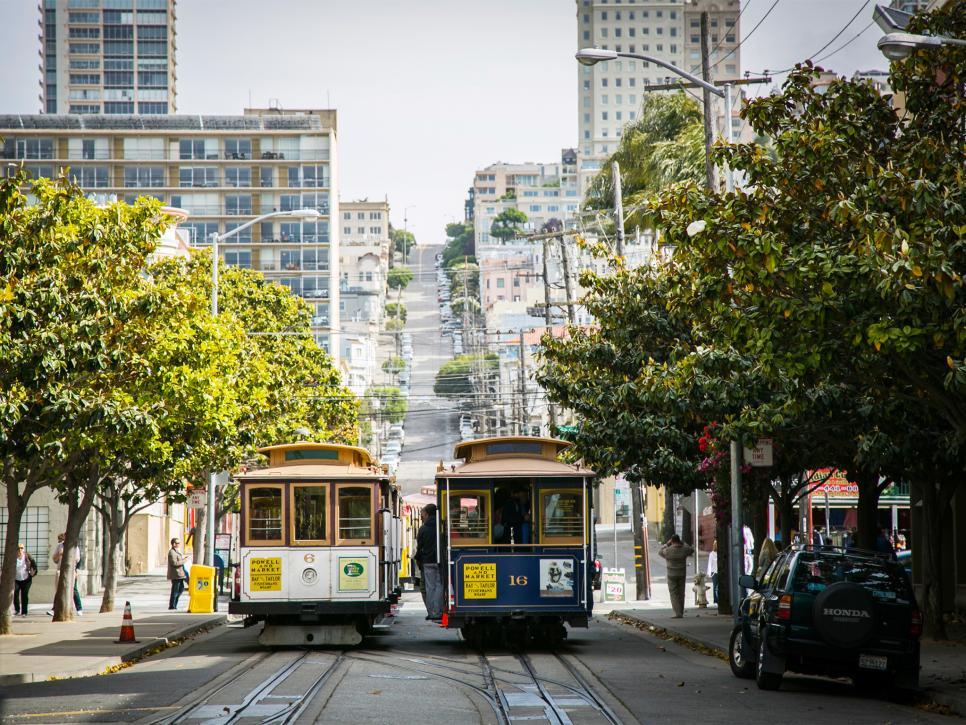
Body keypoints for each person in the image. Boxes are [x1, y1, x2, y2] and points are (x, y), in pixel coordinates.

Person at [414, 504, 442, 621]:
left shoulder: (423, 528)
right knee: (439, 586)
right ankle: (438, 610)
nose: (422, 517)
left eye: (423, 514)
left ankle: (432, 612)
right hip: (440, 560)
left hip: (427, 561)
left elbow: (419, 547)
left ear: (427, 514)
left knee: (430, 587)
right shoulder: (441, 526)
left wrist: (419, 559)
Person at [659, 534, 694, 618]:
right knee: (681, 593)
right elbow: (691, 550)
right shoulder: (684, 549)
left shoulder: (668, 550)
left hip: (671, 574)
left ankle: (677, 613)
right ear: (679, 540)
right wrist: (683, 543)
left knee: (674, 593)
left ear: (672, 541)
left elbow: (660, 552)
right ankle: (680, 611)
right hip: (682, 573)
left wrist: (667, 544)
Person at [49, 533, 83, 616]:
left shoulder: (75, 547)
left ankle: (79, 609)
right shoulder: (59, 546)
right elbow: (54, 559)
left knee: (74, 590)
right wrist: (59, 554)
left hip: (71, 571)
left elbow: (77, 559)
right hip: (60, 570)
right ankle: (54, 609)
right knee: (59, 590)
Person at [14, 544, 37, 617]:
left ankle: (24, 612)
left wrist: (33, 573)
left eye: (21, 548)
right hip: (16, 579)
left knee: (24, 595)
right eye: (18, 548)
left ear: (23, 549)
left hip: (26, 579)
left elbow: (34, 564)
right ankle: (17, 610)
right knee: (15, 593)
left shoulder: (27, 556)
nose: (20, 549)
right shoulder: (13, 557)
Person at [167, 537, 188, 610]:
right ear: (173, 544)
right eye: (178, 543)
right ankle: (172, 605)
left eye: (179, 543)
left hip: (180, 574)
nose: (179, 544)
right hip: (176, 574)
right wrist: (184, 561)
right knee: (175, 590)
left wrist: (183, 558)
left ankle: (174, 604)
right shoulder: (172, 552)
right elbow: (174, 563)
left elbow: (178, 560)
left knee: (181, 589)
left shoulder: (176, 551)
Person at [706, 539, 718, 604]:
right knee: (715, 586)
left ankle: (717, 599)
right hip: (714, 572)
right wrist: (709, 573)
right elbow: (710, 564)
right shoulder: (712, 554)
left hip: (715, 572)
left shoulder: (713, 554)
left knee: (716, 586)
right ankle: (716, 600)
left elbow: (709, 564)